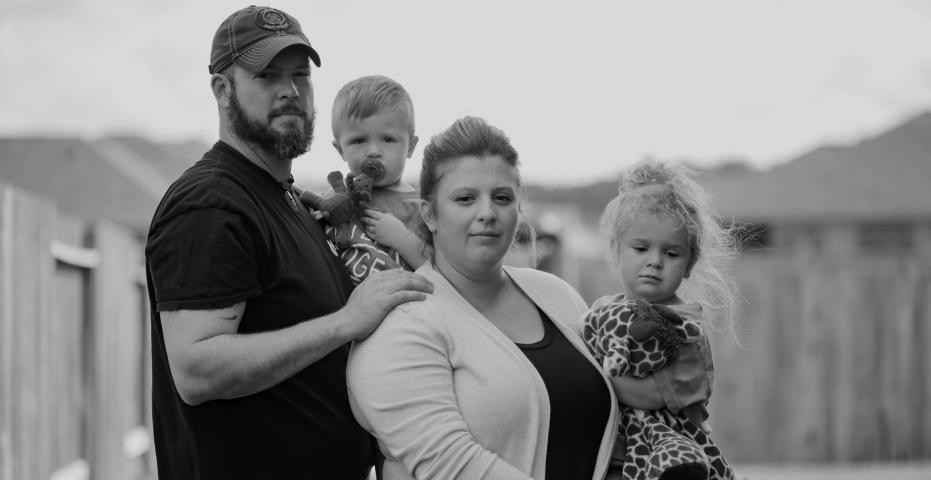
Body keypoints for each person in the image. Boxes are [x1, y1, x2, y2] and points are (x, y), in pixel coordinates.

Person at [144, 6, 432, 479]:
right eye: (267, 75)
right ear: (222, 89)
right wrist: (345, 322)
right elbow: (197, 370)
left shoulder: (293, 202)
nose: (290, 91)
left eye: (300, 75)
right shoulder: (212, 205)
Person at [346, 116, 619, 480]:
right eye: (466, 198)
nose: (487, 213)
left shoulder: (557, 295)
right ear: (429, 214)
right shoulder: (402, 326)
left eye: (502, 197)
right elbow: (452, 465)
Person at [582, 160, 739, 479]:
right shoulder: (602, 311)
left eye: (671, 254)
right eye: (641, 248)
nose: (655, 261)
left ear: (689, 264)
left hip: (670, 450)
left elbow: (652, 394)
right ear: (616, 250)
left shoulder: (685, 328)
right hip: (615, 453)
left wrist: (599, 376)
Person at [321, 75, 427, 283]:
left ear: (411, 146)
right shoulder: (334, 199)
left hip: (408, 311)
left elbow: (443, 275)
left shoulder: (424, 208)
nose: (373, 151)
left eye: (388, 139)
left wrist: (402, 239)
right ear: (340, 149)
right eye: (359, 140)